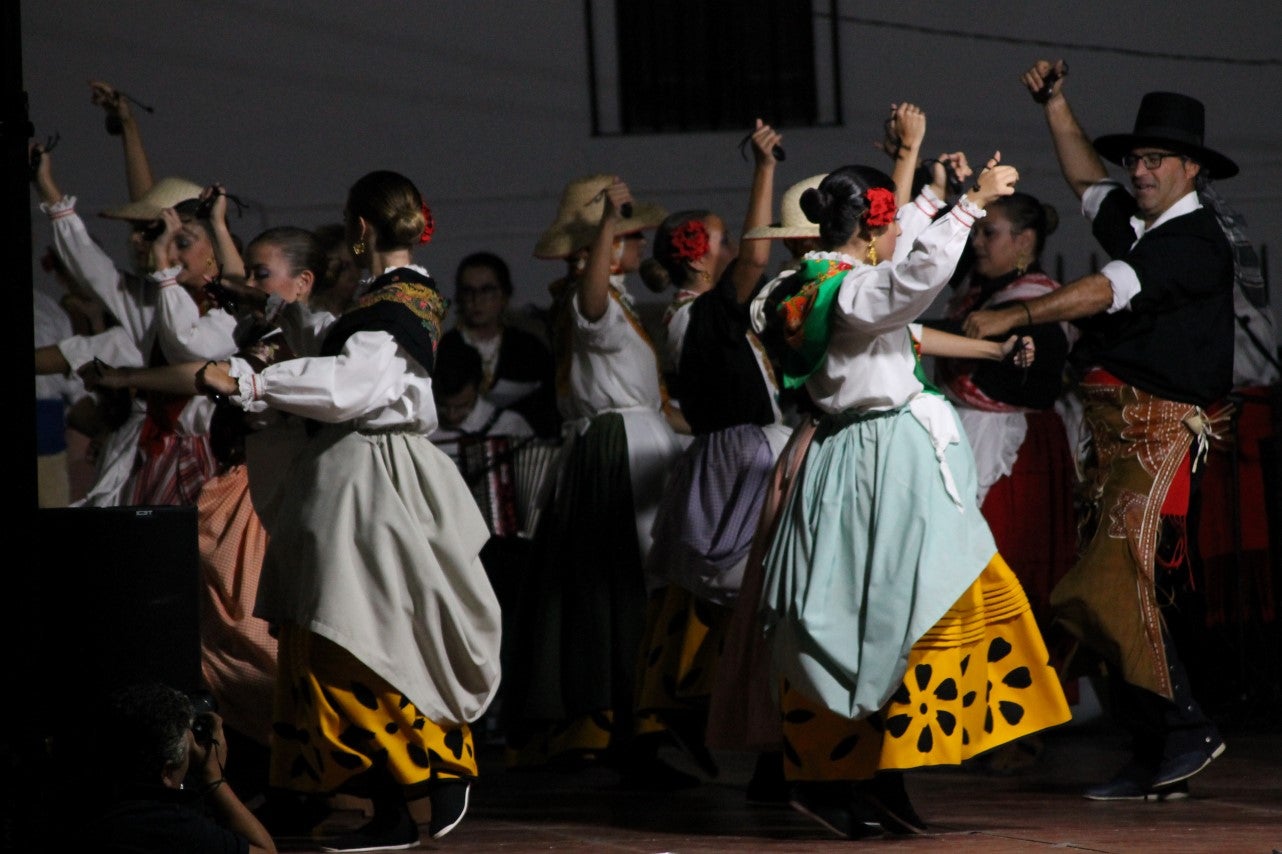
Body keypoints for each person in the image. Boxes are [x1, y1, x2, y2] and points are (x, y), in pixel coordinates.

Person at [758, 151, 1071, 839]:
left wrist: (935, 197)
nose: (901, 230)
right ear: (867, 234)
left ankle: (877, 779)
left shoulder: (832, 282)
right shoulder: (843, 292)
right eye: (890, 224)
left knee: (897, 615)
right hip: (873, 462)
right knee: (870, 619)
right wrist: (966, 204)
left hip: (875, 457)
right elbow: (913, 282)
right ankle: (833, 782)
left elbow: (902, 298)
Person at [196, 170, 502, 851]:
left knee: (356, 639)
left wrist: (248, 377)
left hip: (369, 479)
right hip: (347, 478)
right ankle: (323, 791)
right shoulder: (384, 301)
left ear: (361, 229)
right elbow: (334, 346)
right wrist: (270, 315)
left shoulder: (401, 303)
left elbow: (353, 384)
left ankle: (424, 778)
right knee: (322, 638)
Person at [963, 62, 1237, 801]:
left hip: (1158, 437)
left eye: (1155, 161)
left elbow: (1102, 288)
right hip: (1119, 440)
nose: (1139, 171)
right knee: (1116, 591)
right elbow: (1087, 178)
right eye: (1136, 160)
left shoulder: (1193, 240)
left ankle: (1184, 730)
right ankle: (1157, 751)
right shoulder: (1145, 222)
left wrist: (1012, 315)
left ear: (1191, 168)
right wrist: (1055, 104)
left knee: (1111, 586)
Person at [501, 174, 688, 785]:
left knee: (625, 589)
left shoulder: (619, 303)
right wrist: (605, 226)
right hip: (613, 457)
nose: (637, 244)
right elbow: (591, 308)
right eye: (627, 235)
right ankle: (611, 727)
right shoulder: (590, 306)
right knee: (616, 590)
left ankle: (634, 728)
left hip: (623, 448)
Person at [630, 119, 789, 787]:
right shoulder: (702, 316)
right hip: (743, 465)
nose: (737, 250)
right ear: (699, 255)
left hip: (741, 456)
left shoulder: (700, 318)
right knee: (758, 602)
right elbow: (756, 259)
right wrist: (764, 170)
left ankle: (755, 738)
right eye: (722, 239)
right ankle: (752, 737)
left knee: (747, 607)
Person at [87, 681, 277, 854]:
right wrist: (214, 778)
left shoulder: (87, 806)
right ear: (167, 773)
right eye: (189, 750)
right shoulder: (169, 826)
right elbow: (266, 851)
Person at [439, 251, 561, 439]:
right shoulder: (444, 348)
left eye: (487, 290)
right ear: (459, 296)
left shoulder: (529, 349)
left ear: (504, 295)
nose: (477, 300)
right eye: (468, 291)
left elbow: (549, 407)